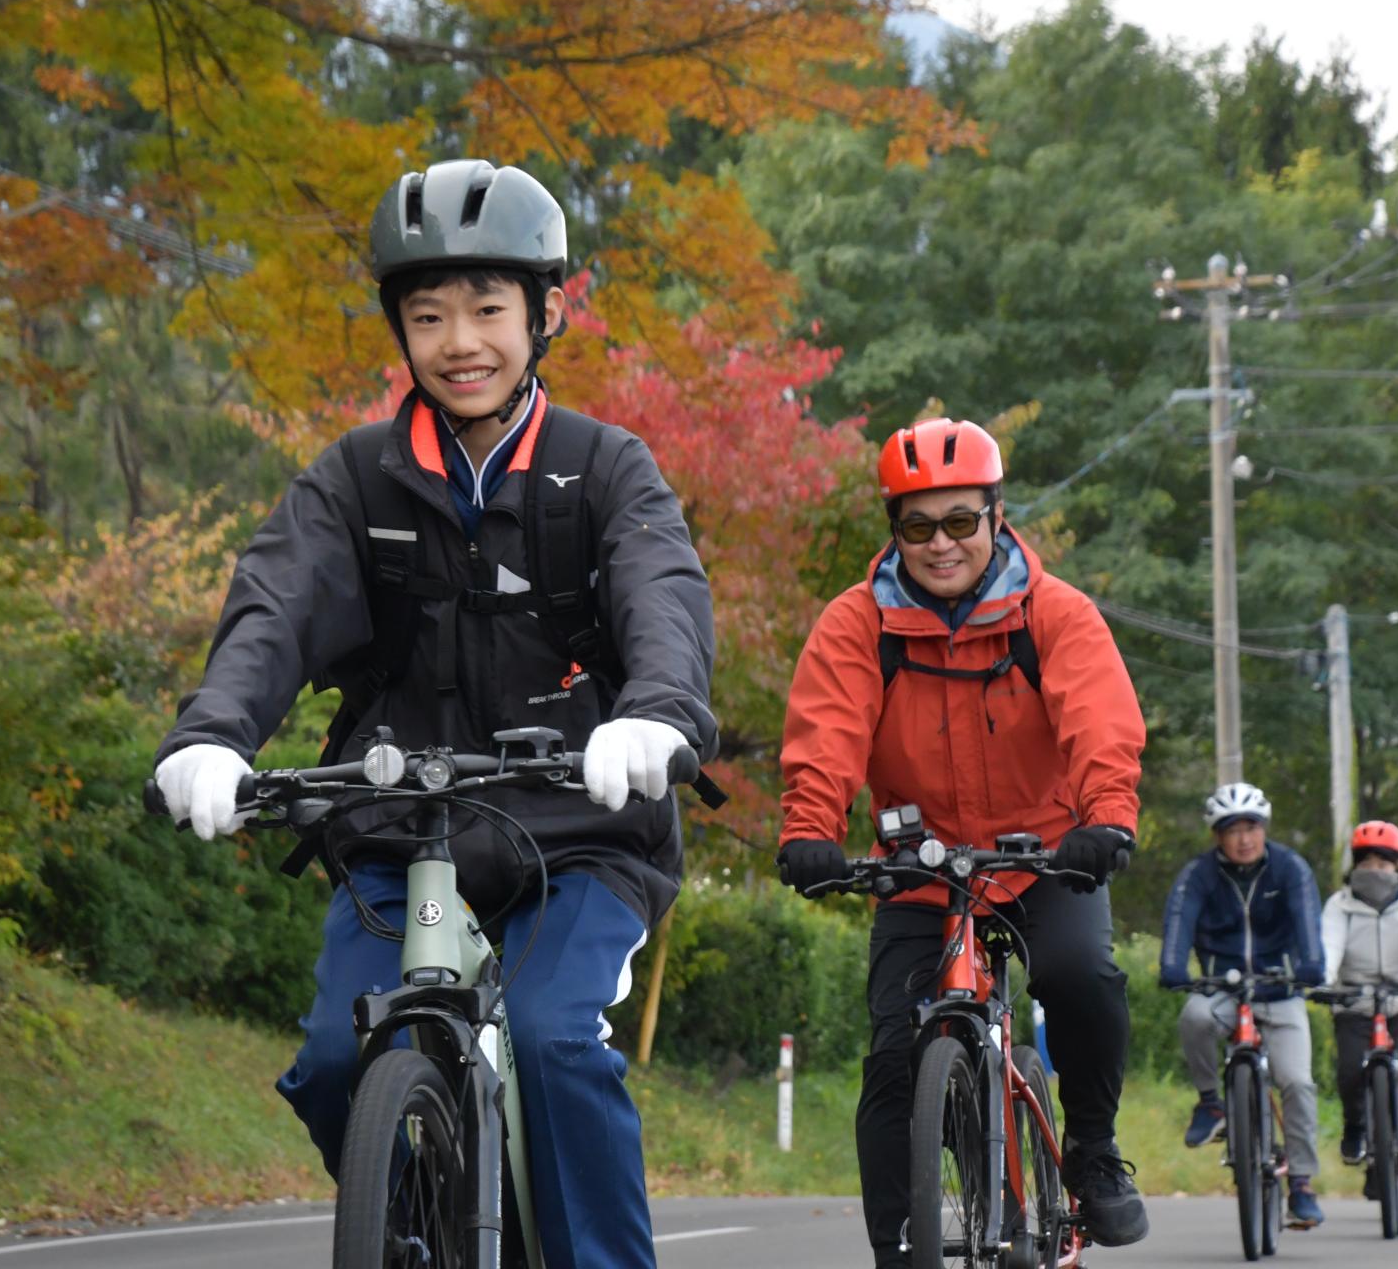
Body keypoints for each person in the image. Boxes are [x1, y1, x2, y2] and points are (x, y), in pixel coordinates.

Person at [150, 159, 718, 1269]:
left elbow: (664, 594)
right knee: (332, 1063)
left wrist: (654, 715)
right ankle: (427, 1222)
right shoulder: (356, 480)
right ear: (400, 332)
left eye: (488, 309)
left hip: (578, 831)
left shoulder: (604, 469)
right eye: (429, 315)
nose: (461, 340)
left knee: (554, 1043)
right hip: (399, 825)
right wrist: (213, 732)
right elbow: (277, 601)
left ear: (546, 313)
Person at [776, 416, 1151, 1263]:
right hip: (923, 870)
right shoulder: (857, 625)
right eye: (916, 526)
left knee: (1081, 976)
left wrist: (1106, 819)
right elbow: (826, 737)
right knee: (892, 1062)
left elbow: (1099, 722)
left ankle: (1091, 1151)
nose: (939, 544)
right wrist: (810, 830)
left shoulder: (1053, 614)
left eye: (959, 522)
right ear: (893, 529)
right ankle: (898, 1247)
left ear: (996, 514)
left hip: (1045, 856)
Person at [1158, 782, 1328, 1229]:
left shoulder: (1290, 868)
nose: (1243, 838)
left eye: (1251, 827)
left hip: (1280, 988)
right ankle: (1211, 1103)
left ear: (1263, 828)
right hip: (1222, 987)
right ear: (1217, 835)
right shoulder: (1199, 875)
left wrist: (1312, 965)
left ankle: (1304, 1184)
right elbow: (1179, 919)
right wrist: (1172, 966)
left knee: (1297, 1082)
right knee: (1194, 1015)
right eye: (1232, 829)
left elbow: (1308, 919)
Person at [1320, 820, 1398, 1182]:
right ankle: (1355, 1127)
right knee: (1348, 1069)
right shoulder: (1339, 904)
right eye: (1367, 863)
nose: (1375, 871)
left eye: (1383, 863)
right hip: (1354, 998)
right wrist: (1325, 981)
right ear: (1356, 865)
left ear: (1397, 866)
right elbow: (1330, 944)